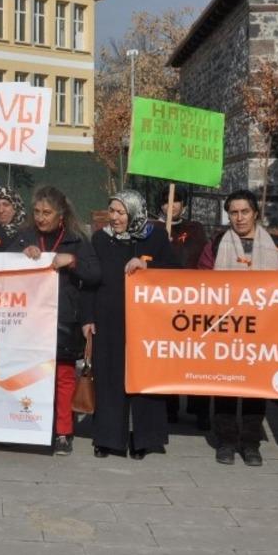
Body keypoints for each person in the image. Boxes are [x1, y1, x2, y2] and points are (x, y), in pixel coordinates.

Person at [196, 189, 278, 467]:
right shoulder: (215, 246)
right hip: (225, 328)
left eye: (244, 212)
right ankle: (225, 441)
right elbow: (202, 280)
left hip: (262, 329)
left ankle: (250, 443)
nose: (239, 218)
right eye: (233, 213)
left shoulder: (276, 246)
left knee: (255, 388)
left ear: (256, 213)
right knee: (225, 385)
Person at [82, 190, 178, 459]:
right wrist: (88, 318)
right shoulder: (101, 239)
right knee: (109, 378)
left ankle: (145, 439)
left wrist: (150, 266)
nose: (114, 217)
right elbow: (90, 280)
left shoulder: (154, 237)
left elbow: (175, 271)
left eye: (121, 212)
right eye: (111, 211)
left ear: (134, 212)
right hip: (108, 319)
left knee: (144, 379)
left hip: (147, 321)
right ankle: (107, 438)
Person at [8, 186, 100, 455]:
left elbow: (95, 274)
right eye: (36, 211)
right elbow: (3, 267)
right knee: (30, 376)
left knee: (63, 377)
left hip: (64, 319)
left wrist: (71, 260)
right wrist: (21, 256)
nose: (40, 217)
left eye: (47, 212)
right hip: (29, 321)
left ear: (61, 214)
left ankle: (63, 432)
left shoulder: (77, 239)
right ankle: (29, 427)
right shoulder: (24, 236)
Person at [153, 185, 211, 429]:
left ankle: (200, 409)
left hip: (193, 301)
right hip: (162, 303)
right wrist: (159, 244)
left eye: (176, 201)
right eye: (166, 202)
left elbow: (203, 260)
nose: (171, 206)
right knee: (168, 356)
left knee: (197, 356)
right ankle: (169, 407)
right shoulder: (152, 228)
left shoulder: (195, 229)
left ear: (183, 205)